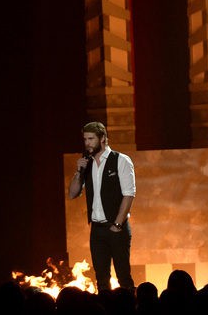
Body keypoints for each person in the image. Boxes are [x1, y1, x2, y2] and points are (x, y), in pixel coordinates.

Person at [67, 121, 136, 291]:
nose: (87, 143)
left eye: (91, 139)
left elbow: (129, 194)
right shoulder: (87, 163)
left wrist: (118, 224)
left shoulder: (120, 160)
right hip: (97, 230)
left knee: (123, 277)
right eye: (85, 139)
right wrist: (78, 171)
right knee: (101, 280)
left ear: (103, 138)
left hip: (116, 228)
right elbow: (72, 193)